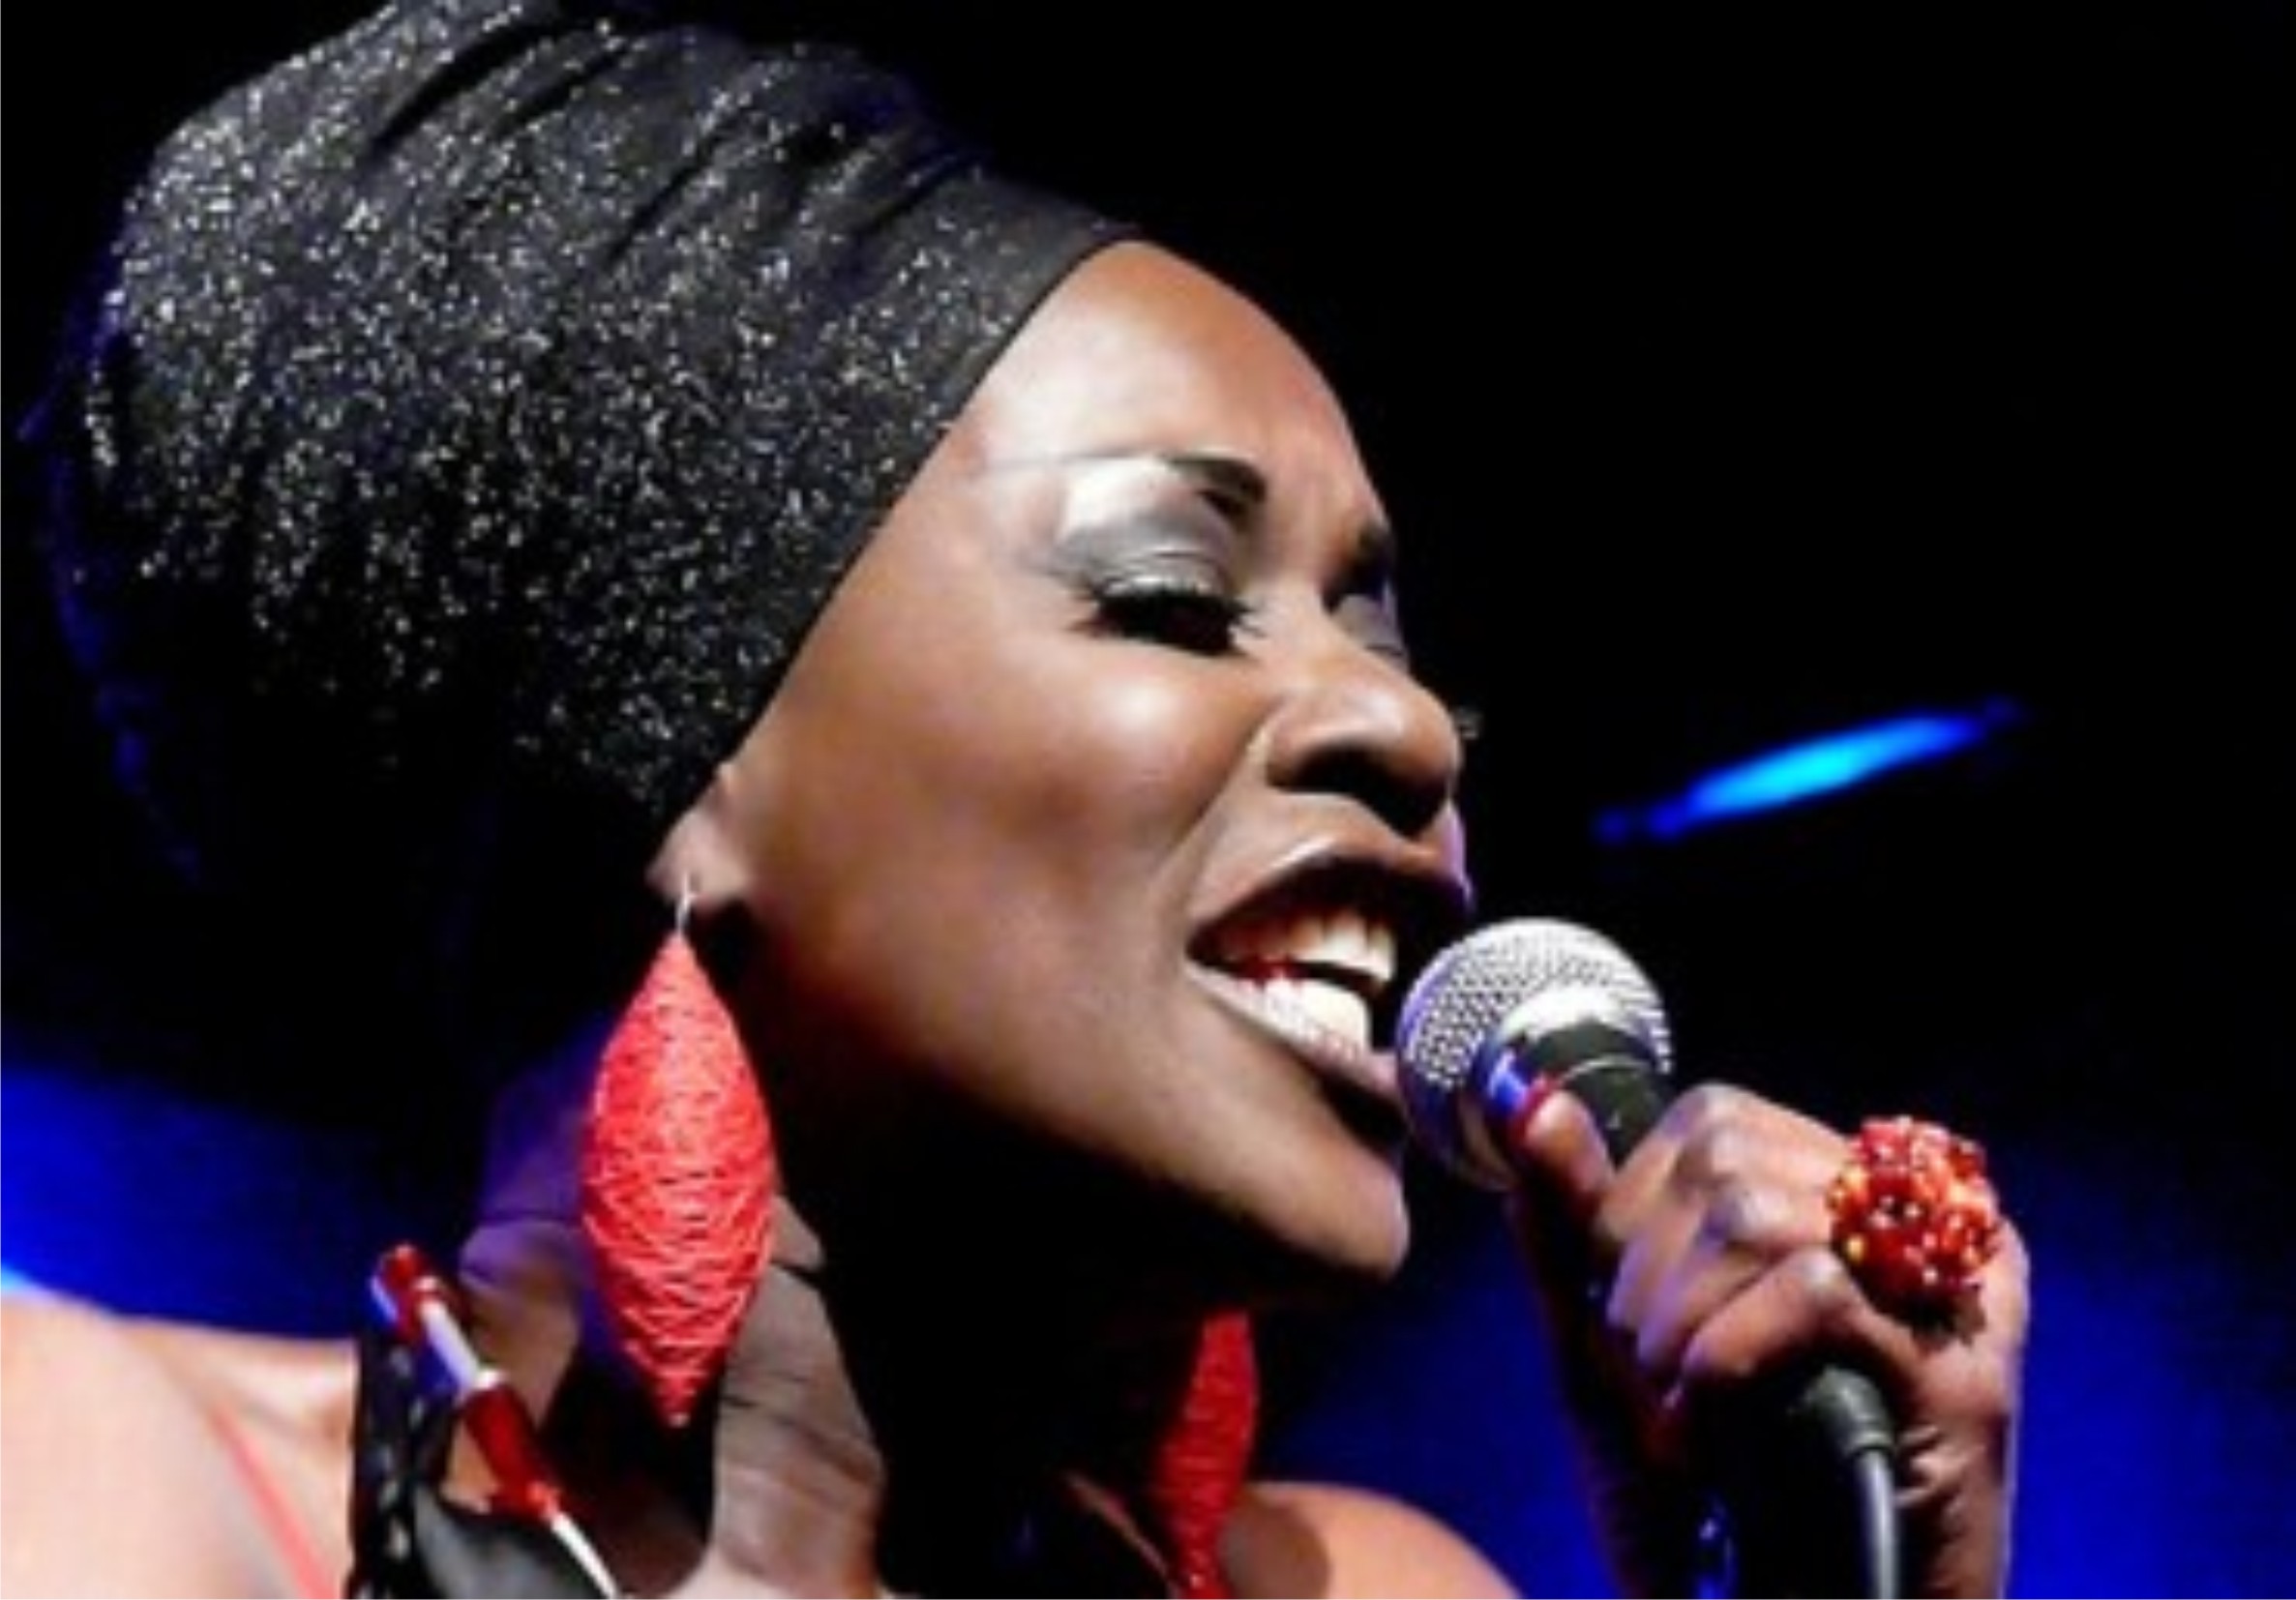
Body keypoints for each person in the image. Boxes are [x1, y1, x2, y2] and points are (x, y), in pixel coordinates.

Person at [0, 0, 2029, 1593]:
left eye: (1380, 636)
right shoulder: (104, 1482)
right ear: (669, 756)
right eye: (1170, 596)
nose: (1407, 732)